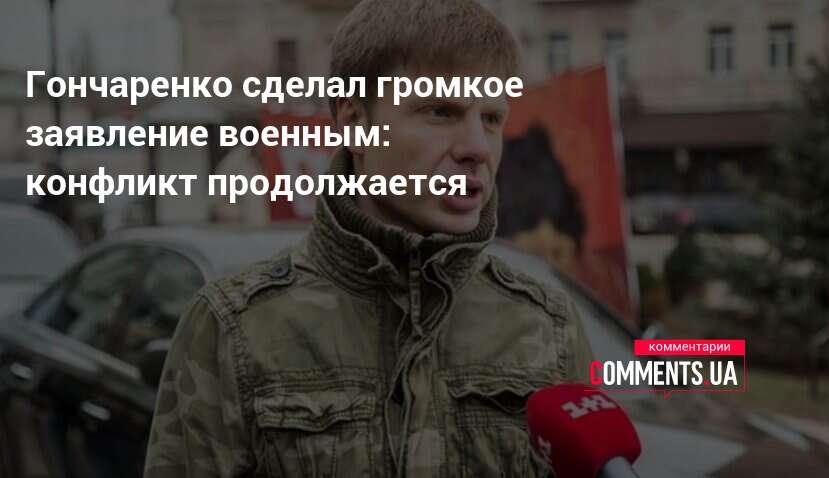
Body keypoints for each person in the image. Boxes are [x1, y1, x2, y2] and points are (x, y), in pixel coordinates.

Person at [143, 1, 593, 476]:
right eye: (441, 112)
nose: (478, 148)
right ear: (356, 123)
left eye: (491, 119)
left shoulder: (549, 326)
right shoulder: (233, 329)